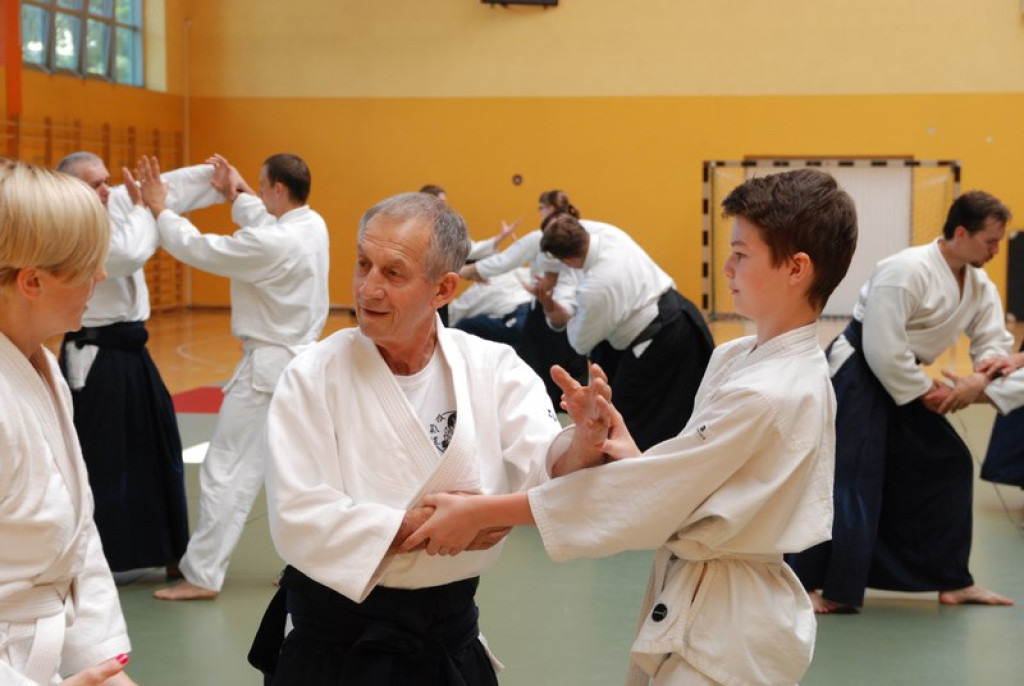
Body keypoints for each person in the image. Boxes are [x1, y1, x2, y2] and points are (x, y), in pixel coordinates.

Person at [404, 168, 859, 686]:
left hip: (734, 621)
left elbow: (652, 498)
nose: (727, 267)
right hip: (701, 593)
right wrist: (627, 448)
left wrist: (483, 510)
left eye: (742, 254)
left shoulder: (771, 390)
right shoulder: (738, 357)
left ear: (796, 268)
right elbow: (692, 485)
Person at [246, 191, 609, 684]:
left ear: (444, 290)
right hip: (335, 643)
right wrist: (430, 527)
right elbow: (298, 516)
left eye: (392, 273)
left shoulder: (492, 366)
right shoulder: (312, 374)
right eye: (362, 264)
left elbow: (544, 461)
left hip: (447, 636)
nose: (367, 289)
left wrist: (584, 443)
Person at [788, 190, 1017, 613]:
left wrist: (984, 372)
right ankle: (812, 584)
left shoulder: (978, 283)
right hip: (861, 373)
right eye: (991, 240)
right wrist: (928, 392)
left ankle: (951, 580)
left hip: (904, 378)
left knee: (948, 461)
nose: (997, 250)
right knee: (851, 477)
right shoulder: (904, 270)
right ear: (962, 232)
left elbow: (991, 340)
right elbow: (882, 346)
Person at [136, 153, 330, 601]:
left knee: (227, 470)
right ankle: (308, 567)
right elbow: (263, 222)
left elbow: (202, 249)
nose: (258, 194)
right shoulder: (310, 224)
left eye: (262, 187)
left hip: (268, 371)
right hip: (299, 366)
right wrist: (236, 191)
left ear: (278, 189)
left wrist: (161, 209)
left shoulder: (276, 244)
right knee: (295, 473)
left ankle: (202, 574)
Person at [0, 158, 137, 685]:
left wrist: (103, 666)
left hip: (48, 657)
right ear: (32, 280)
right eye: (87, 265)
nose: (101, 277)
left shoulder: (45, 367)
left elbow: (77, 538)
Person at [56, 151, 223, 580]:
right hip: (94, 357)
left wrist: (219, 180)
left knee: (159, 446)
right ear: (72, 189)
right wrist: (147, 207)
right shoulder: (70, 226)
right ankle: (98, 557)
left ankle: (168, 548)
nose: (106, 189)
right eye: (95, 183)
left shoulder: (114, 205)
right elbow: (130, 252)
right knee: (103, 456)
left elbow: (167, 187)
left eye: (106, 179)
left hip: (132, 352)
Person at [538, 213, 714, 450]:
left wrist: (562, 303)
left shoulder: (595, 289)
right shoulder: (607, 232)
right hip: (680, 314)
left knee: (636, 426)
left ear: (568, 261)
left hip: (662, 343)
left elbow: (579, 342)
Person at [460, 189, 589, 407]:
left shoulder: (541, 239)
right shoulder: (580, 236)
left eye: (541, 208)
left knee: (541, 380)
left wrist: (463, 272)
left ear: (548, 209)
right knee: (565, 383)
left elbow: (504, 261)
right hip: (569, 315)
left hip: (554, 314)